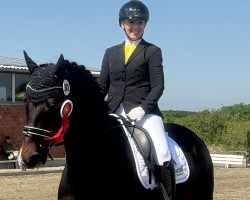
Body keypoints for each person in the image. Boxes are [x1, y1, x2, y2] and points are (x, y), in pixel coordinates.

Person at [98, 1, 175, 199]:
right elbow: (102, 87)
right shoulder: (110, 52)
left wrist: (143, 108)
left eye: (140, 22)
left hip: (144, 112)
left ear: (145, 24)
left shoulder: (152, 51)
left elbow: (158, 86)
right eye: (130, 22)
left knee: (163, 152)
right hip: (113, 110)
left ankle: (168, 196)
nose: (135, 26)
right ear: (121, 24)